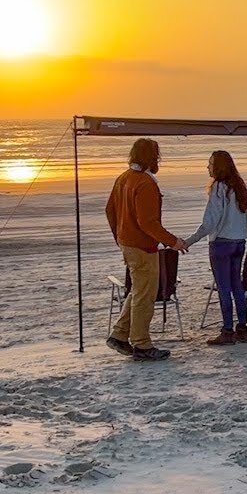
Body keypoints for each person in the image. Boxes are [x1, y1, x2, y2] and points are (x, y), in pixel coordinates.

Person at [105, 138, 187, 361]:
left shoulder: (123, 178)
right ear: (152, 157)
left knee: (138, 290)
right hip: (142, 246)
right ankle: (141, 343)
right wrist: (173, 241)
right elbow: (148, 222)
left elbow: (109, 210)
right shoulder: (144, 183)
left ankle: (120, 334)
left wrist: (119, 237)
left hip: (128, 243)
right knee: (145, 295)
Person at [183, 150, 247, 346]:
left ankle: (227, 330)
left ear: (219, 166)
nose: (208, 167)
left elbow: (210, 222)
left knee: (223, 288)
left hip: (222, 243)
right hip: (239, 241)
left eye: (210, 163)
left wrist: (190, 240)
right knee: (237, 285)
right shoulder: (238, 188)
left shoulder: (219, 188)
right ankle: (243, 328)